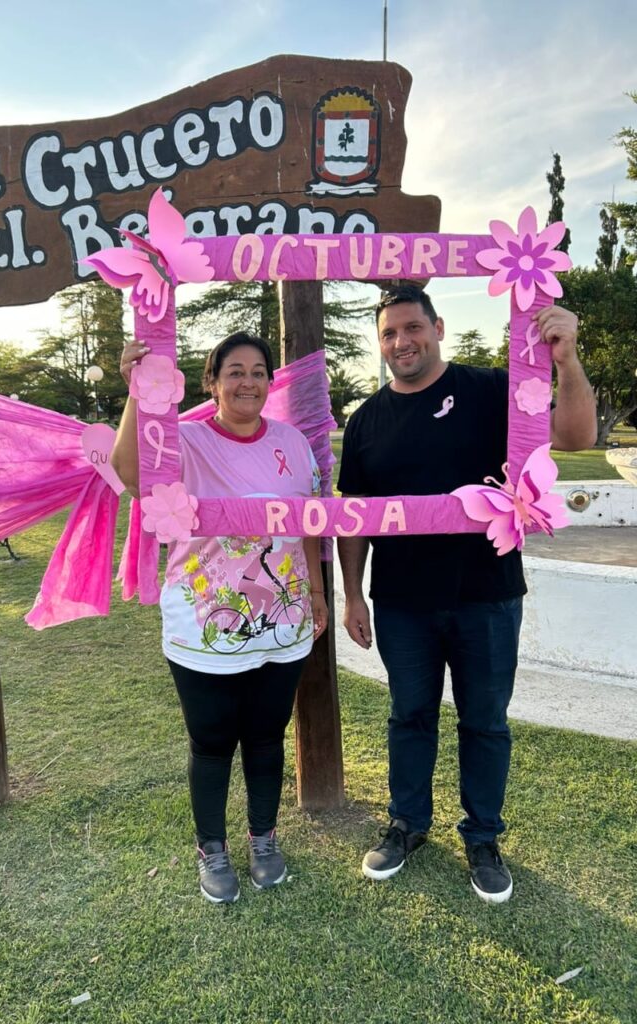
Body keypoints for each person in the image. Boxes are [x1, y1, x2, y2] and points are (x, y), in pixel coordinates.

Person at [337, 285, 596, 903]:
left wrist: (566, 360)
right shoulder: (366, 420)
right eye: (389, 333)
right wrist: (352, 594)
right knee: (410, 715)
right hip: (402, 601)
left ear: (438, 328)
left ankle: (483, 838)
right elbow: (356, 517)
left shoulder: (492, 390)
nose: (402, 341)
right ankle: (407, 824)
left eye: (412, 327)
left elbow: (575, 437)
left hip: (487, 595)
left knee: (484, 721)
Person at [112, 332, 329, 905]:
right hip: (202, 625)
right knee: (211, 743)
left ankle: (264, 840)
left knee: (266, 738)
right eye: (234, 371)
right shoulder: (183, 439)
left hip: (282, 623)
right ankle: (212, 849)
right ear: (212, 382)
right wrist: (137, 394)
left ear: (270, 382)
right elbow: (130, 473)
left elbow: (308, 523)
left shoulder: (293, 443)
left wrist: (317, 592)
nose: (247, 382)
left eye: (258, 371)